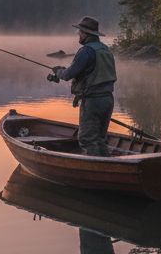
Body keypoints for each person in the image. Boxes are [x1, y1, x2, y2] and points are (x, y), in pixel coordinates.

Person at [47, 16, 116, 157]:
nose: (78, 34)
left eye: (80, 31)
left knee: (87, 140)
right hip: (108, 100)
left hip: (93, 101)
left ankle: (96, 171)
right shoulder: (105, 50)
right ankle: (107, 166)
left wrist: (59, 71)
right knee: (100, 139)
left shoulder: (85, 51)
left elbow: (68, 74)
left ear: (85, 34)